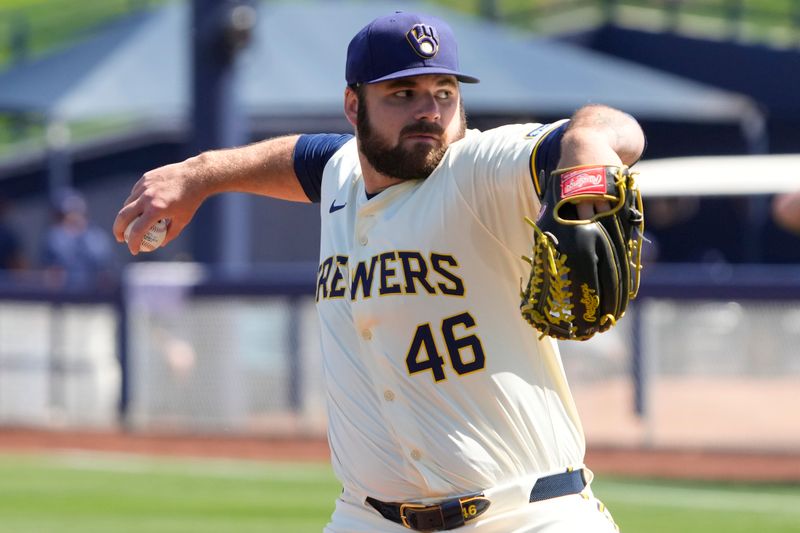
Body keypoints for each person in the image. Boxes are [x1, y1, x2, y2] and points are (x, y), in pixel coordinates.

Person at [114, 12, 644, 532]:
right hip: (368, 517)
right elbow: (294, 157)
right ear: (353, 105)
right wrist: (198, 175)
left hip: (526, 515)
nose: (429, 111)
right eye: (402, 94)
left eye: (443, 92)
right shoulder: (342, 171)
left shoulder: (481, 169)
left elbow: (610, 129)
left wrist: (583, 152)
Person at [42, 187, 114, 290]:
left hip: (97, 299)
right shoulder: (55, 237)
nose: (75, 216)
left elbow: (106, 274)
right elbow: (52, 275)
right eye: (70, 212)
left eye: (77, 211)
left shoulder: (98, 237)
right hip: (66, 299)